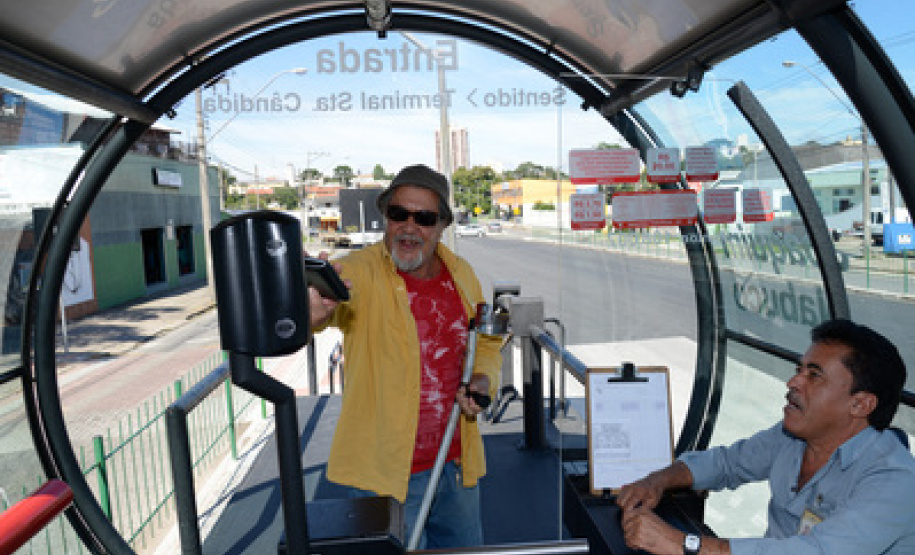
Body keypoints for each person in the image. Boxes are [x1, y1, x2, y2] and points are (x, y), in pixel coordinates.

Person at [308, 164, 501, 549]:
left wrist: (482, 379)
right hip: (383, 474)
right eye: (399, 214)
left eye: (424, 218)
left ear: (442, 225)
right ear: (386, 217)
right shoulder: (357, 271)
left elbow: (486, 344)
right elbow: (314, 311)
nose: (409, 227)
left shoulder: (462, 273)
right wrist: (308, 313)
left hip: (455, 463)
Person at [616, 319, 915, 555]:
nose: (793, 381)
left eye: (814, 375)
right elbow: (726, 464)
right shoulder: (792, 436)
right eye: (799, 370)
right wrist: (657, 480)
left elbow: (817, 551)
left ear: (860, 404)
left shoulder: (894, 481)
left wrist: (683, 544)